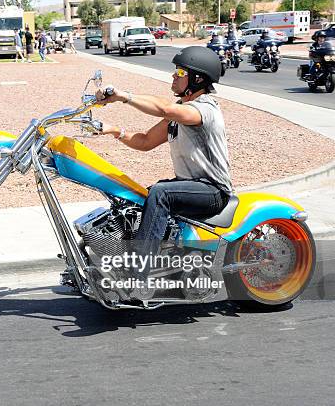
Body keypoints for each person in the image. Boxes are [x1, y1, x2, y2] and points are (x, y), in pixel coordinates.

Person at [95, 46, 232, 294]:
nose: (173, 76)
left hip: (212, 191)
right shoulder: (181, 112)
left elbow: (166, 109)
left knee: (161, 193)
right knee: (134, 198)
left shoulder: (204, 109)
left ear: (197, 79)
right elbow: (145, 141)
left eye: (179, 72)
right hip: (191, 187)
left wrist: (122, 96)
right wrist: (115, 130)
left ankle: (138, 278)